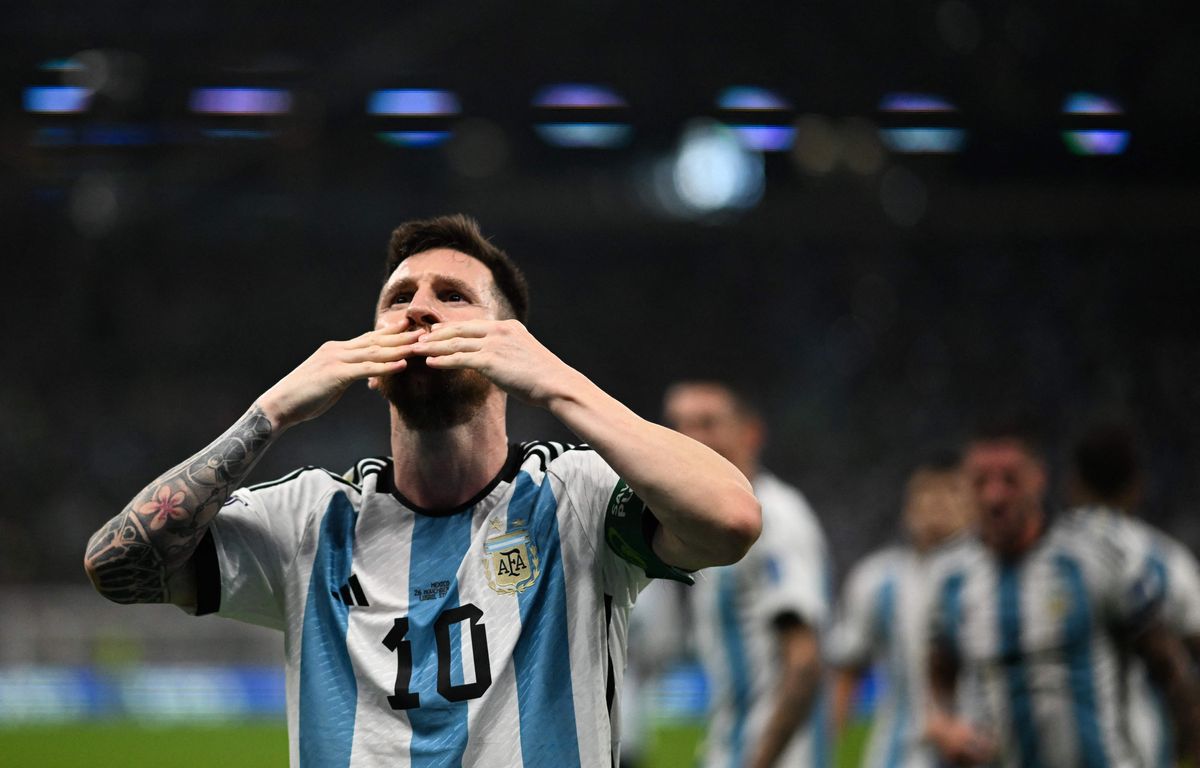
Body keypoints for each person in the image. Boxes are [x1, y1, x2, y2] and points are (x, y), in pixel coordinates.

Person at [83, 215, 762, 768]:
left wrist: (558, 381)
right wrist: (272, 412)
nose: (418, 310)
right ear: (371, 366)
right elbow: (117, 566)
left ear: (508, 347)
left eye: (452, 296)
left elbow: (731, 518)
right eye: (398, 298)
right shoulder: (309, 520)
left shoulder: (575, 497)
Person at [925, 421, 1200, 768]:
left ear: (1039, 477)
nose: (994, 496)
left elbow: (1168, 663)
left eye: (1010, 480)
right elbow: (939, 672)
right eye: (980, 481)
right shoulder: (950, 577)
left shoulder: (1097, 558)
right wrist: (944, 725)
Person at [663, 381, 829, 768]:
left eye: (707, 423)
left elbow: (804, 662)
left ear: (751, 432)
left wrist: (759, 760)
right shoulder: (718, 521)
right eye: (679, 425)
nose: (691, 438)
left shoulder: (776, 516)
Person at [1065, 421, 1200, 768]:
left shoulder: (1041, 559)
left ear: (1073, 484)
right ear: (1136, 486)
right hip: (1146, 751)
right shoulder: (1167, 560)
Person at [828, 452, 973, 768]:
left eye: (950, 490)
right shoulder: (875, 579)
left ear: (972, 503)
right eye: (926, 491)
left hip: (975, 751)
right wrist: (825, 750)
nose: (936, 501)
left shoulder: (987, 576)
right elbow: (846, 672)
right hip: (893, 755)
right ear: (908, 506)